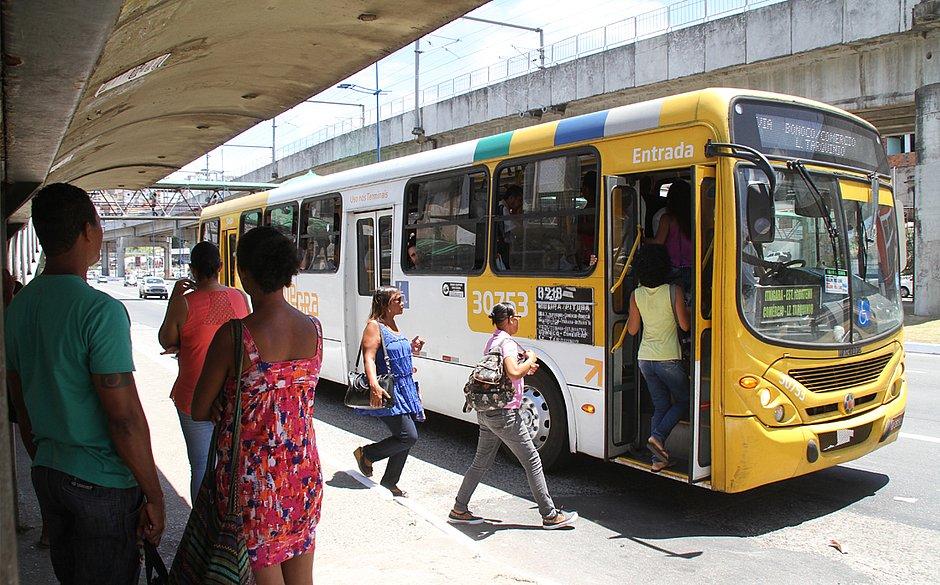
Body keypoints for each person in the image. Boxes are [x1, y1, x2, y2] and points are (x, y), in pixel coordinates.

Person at [5, 183, 164, 584]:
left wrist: (47, 457)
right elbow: (124, 419)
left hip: (49, 473)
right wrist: (155, 493)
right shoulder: (100, 311)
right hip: (102, 485)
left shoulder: (19, 306)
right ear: (87, 231)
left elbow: (19, 400)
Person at [191, 226, 323, 585]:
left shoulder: (235, 335)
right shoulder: (314, 329)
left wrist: (227, 401)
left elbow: (199, 408)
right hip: (302, 471)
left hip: (253, 480)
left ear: (245, 272)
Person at [448, 302, 578, 529]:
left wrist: (525, 365)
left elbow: (502, 371)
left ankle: (459, 509)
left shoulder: (493, 340)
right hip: (505, 414)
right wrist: (529, 359)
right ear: (508, 320)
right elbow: (513, 371)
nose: (518, 320)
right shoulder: (507, 343)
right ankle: (549, 515)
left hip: (487, 412)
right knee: (533, 460)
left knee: (480, 463)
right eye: (516, 317)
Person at [157, 241, 250, 502]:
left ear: (192, 270)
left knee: (200, 466)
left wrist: (175, 299)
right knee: (230, 464)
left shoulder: (184, 304)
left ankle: (200, 528)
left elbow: (166, 339)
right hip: (232, 396)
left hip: (193, 394)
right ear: (220, 266)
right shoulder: (240, 298)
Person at [352, 286, 426, 497]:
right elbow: (369, 358)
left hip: (406, 387)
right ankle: (367, 454)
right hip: (389, 390)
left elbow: (391, 353)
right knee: (408, 436)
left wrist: (411, 349)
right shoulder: (374, 326)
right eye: (397, 300)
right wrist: (374, 385)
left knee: (404, 435)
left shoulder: (393, 324)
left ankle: (390, 482)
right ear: (385, 304)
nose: (402, 303)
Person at [626, 244, 690, 472]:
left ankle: (658, 459)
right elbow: (685, 324)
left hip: (645, 359)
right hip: (668, 358)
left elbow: (633, 330)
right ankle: (658, 437)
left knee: (660, 405)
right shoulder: (674, 291)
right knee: (684, 401)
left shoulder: (636, 295)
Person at [649, 180, 693, 292]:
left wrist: (641, 238)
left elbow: (658, 242)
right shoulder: (694, 217)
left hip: (673, 268)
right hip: (693, 267)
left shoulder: (667, 218)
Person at [494, 184, 524, 270]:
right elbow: (516, 231)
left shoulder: (504, 209)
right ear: (511, 198)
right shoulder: (502, 209)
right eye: (519, 200)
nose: (520, 203)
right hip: (502, 247)